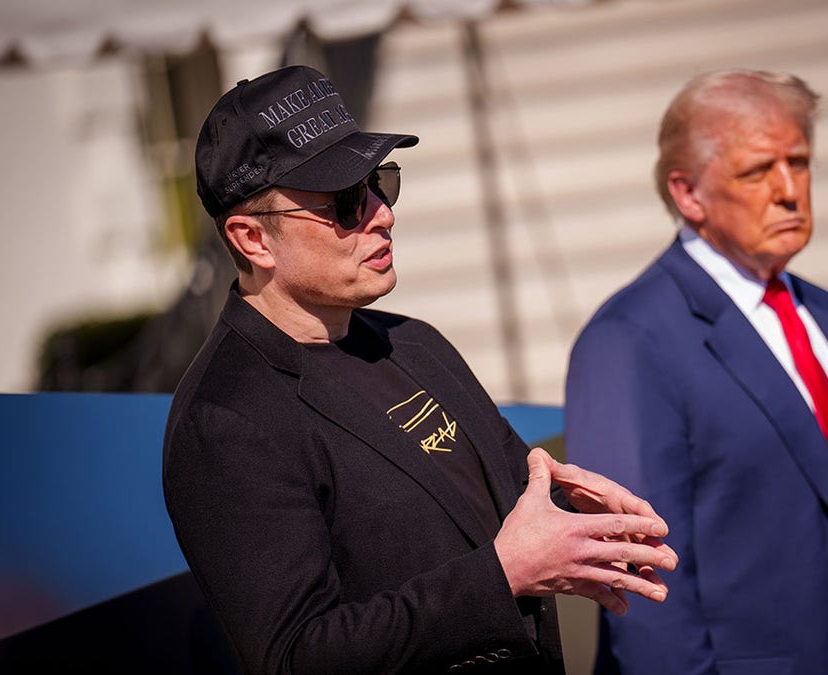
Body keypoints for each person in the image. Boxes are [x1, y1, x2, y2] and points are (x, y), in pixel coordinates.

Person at [162, 65, 677, 675]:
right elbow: (297, 657)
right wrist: (505, 573)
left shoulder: (414, 342)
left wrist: (575, 522)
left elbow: (508, 510)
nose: (382, 214)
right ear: (253, 240)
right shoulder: (227, 419)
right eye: (346, 202)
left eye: (380, 183)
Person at [564, 70, 828, 674]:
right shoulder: (631, 338)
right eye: (757, 171)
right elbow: (641, 584)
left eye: (799, 162)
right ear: (688, 194)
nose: (790, 189)